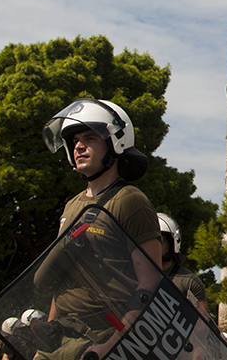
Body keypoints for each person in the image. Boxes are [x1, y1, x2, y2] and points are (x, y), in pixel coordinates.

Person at [37, 99, 162, 360]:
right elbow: (64, 273)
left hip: (102, 337)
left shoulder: (130, 200)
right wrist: (48, 333)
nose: (78, 146)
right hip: (60, 339)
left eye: (89, 137)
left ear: (116, 141)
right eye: (74, 141)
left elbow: (150, 284)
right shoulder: (72, 206)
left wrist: (113, 345)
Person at [157, 212, 209, 313]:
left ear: (172, 243)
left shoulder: (189, 282)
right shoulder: (133, 278)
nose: (154, 246)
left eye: (160, 241)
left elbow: (202, 324)